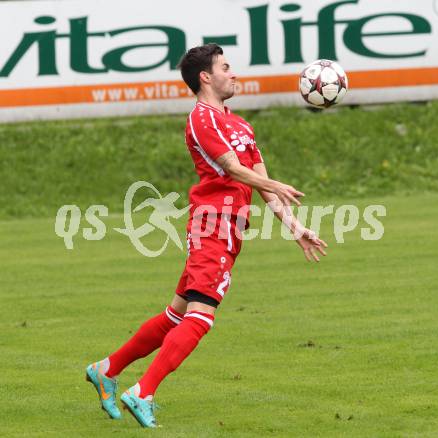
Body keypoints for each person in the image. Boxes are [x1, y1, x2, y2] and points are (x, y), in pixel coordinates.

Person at [85, 43, 327, 428]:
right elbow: (231, 168)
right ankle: (142, 391)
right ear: (205, 77)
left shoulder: (242, 125)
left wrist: (295, 227)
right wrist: (275, 184)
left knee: (175, 315)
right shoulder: (202, 119)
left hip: (228, 229)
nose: (233, 73)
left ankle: (107, 369)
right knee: (201, 317)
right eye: (226, 67)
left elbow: (262, 183)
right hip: (213, 225)